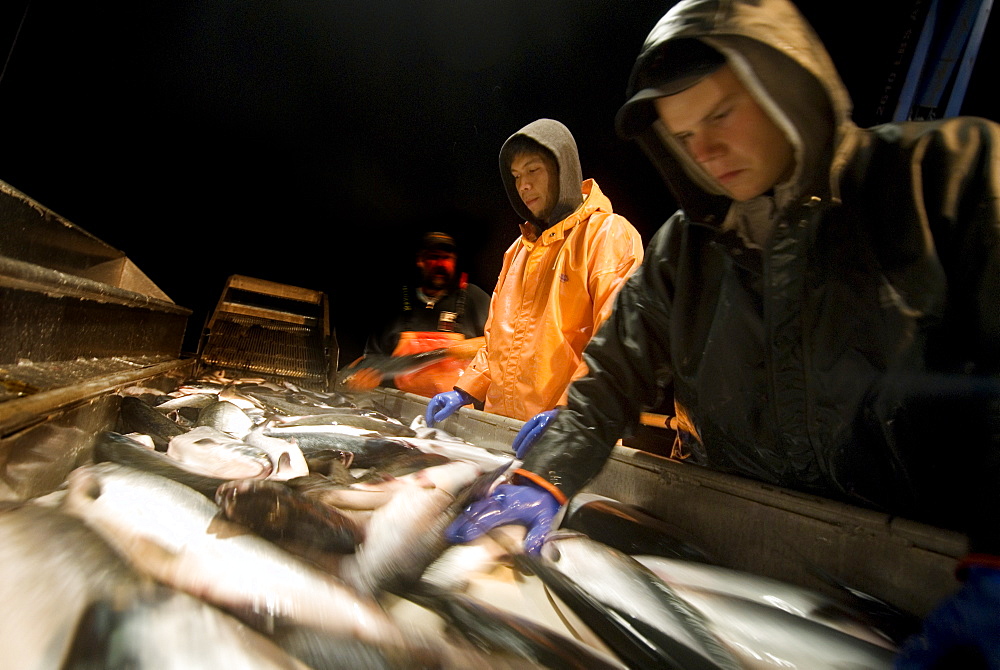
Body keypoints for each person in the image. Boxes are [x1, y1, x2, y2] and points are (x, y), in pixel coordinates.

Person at [444, 1, 1000, 667]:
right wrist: (552, 472)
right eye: (682, 135)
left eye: (721, 114)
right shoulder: (687, 251)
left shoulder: (948, 177)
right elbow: (610, 379)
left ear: (788, 86)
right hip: (736, 563)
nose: (704, 150)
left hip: (931, 575)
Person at [424, 118, 644, 427]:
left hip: (570, 435)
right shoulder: (518, 251)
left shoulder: (608, 235)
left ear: (562, 169)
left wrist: (572, 412)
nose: (523, 185)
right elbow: (496, 342)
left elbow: (617, 343)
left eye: (533, 170)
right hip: (502, 432)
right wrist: (465, 389)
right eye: (515, 176)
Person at [344, 231, 490, 398]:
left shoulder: (474, 298)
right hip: (401, 407)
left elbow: (502, 346)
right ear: (420, 260)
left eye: (447, 258)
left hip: (458, 408)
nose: (441, 264)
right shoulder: (396, 302)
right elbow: (373, 360)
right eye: (434, 257)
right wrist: (366, 379)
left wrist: (473, 347)